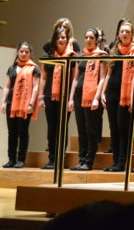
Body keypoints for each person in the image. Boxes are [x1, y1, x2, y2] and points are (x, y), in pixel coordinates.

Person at [38, 24, 79, 170]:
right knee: (51, 128)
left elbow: (75, 78)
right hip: (49, 96)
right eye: (58, 37)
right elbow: (43, 77)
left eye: (63, 37)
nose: (61, 40)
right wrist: (41, 97)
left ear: (67, 40)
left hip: (65, 96)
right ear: (54, 40)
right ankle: (52, 159)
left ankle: (60, 159)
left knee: (62, 128)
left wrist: (71, 98)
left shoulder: (72, 57)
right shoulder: (48, 57)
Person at [102, 20, 134, 172]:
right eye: (122, 31)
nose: (124, 34)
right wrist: (103, 92)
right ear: (119, 33)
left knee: (123, 127)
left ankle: (122, 163)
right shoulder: (114, 49)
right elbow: (108, 73)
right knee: (113, 127)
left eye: (127, 32)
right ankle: (115, 162)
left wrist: (132, 96)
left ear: (132, 35)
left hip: (126, 93)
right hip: (112, 91)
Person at [68, 29, 108, 171]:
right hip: (79, 95)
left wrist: (97, 98)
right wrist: (71, 98)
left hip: (92, 96)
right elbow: (75, 79)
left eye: (91, 37)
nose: (88, 39)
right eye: (86, 37)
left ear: (97, 39)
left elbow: (103, 77)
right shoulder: (81, 55)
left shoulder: (102, 55)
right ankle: (81, 160)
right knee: (82, 130)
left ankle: (89, 161)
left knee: (91, 130)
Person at [2, 42, 40, 168]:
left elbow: (35, 88)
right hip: (11, 104)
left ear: (30, 53)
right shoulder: (12, 68)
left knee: (22, 132)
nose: (24, 54)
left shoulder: (34, 68)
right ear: (17, 52)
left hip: (25, 105)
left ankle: (21, 160)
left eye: (26, 52)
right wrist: (3, 102)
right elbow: (7, 87)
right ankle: (11, 159)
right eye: (21, 51)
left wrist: (31, 104)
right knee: (12, 132)